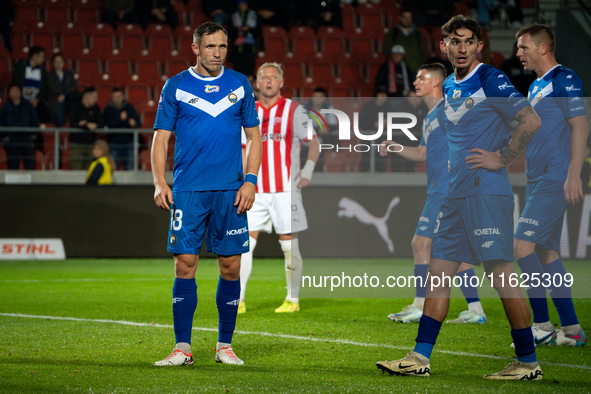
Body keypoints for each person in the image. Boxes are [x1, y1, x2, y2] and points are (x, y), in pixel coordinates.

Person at [376, 15, 544, 380]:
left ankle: (529, 363)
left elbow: (530, 120)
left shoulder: (490, 78)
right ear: (444, 46)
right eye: (455, 41)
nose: (462, 47)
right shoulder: (450, 84)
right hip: (455, 195)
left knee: (501, 274)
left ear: (479, 46)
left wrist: (502, 158)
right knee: (438, 273)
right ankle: (419, 358)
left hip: (486, 192)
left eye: (468, 41)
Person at [151, 22, 262, 367]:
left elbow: (255, 139)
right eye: (211, 46)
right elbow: (161, 139)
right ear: (195, 48)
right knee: (185, 265)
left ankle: (224, 346)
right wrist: (159, 182)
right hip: (188, 190)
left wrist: (250, 180)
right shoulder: (176, 86)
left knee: (231, 267)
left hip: (231, 190)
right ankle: (182, 348)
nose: (218, 53)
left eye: (223, 46)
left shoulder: (240, 84)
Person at [380, 63, 487, 324]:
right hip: (440, 189)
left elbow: (472, 131)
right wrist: (395, 146)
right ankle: (475, 310)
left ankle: (419, 305)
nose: (415, 82)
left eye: (421, 77)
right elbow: (423, 154)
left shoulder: (449, 108)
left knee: (421, 243)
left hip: (446, 188)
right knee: (454, 251)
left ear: (437, 82)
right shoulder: (430, 117)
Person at [511, 23, 587, 347]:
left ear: (543, 48)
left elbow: (581, 127)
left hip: (556, 176)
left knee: (521, 247)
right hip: (536, 177)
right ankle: (571, 330)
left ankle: (541, 325)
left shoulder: (564, 79)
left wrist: (574, 174)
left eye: (523, 47)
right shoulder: (535, 86)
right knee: (547, 254)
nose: (518, 54)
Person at [238, 62, 320, 314]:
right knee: (244, 245)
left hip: (285, 189)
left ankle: (292, 299)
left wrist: (307, 171)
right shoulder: (248, 111)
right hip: (255, 189)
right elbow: (244, 149)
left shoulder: (295, 110)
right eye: (264, 77)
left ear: (281, 82)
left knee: (288, 243)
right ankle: (237, 300)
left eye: (274, 77)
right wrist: (241, 182)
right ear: (257, 82)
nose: (269, 81)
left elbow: (314, 143)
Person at [0, 84, 39, 170]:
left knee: (30, 166)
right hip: (12, 140)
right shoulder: (4, 108)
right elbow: (1, 123)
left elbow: (34, 121)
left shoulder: (28, 106)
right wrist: (4, 137)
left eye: (17, 90)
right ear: (9, 93)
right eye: (13, 91)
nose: (15, 93)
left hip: (26, 139)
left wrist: (33, 136)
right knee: (12, 166)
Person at [104, 87, 141, 170]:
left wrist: (134, 123)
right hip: (113, 143)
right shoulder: (108, 109)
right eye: (114, 97)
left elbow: (138, 123)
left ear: (123, 97)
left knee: (128, 168)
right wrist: (120, 119)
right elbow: (108, 125)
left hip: (128, 143)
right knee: (113, 168)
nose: (117, 99)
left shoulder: (129, 108)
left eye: (119, 96)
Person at [69, 87, 104, 170]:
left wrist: (84, 124)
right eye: (94, 97)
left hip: (91, 144)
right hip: (77, 144)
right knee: (76, 170)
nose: (96, 99)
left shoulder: (96, 108)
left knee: (89, 170)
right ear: (87, 96)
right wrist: (87, 125)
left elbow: (101, 123)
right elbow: (73, 124)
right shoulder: (74, 107)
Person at [12, 46, 47, 118]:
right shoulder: (21, 66)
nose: (43, 59)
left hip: (37, 101)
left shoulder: (42, 70)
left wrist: (37, 99)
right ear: (34, 56)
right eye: (42, 56)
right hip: (22, 100)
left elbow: (44, 87)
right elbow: (16, 84)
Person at [46, 53, 78, 127]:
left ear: (63, 62)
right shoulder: (49, 75)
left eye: (60, 61)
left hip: (69, 99)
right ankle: (59, 133)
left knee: (76, 109)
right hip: (55, 100)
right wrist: (61, 95)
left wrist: (64, 94)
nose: (58, 63)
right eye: (56, 61)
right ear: (53, 64)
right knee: (59, 113)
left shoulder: (69, 74)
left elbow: (74, 86)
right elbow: (51, 87)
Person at [230, 0, 258, 76]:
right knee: (238, 73)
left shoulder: (254, 15)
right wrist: (238, 30)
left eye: (244, 4)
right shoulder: (233, 16)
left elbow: (258, 32)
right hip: (237, 50)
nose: (242, 6)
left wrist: (248, 29)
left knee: (249, 72)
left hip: (250, 50)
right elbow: (230, 32)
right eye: (240, 4)